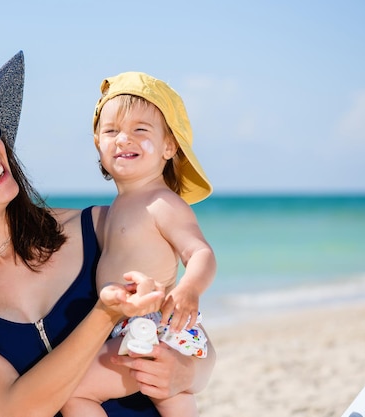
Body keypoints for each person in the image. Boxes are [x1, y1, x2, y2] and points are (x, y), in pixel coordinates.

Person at [0, 51, 216, 417]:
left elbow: (191, 338)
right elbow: (16, 407)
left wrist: (186, 373)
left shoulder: (98, 227)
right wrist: (104, 314)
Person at [61, 72, 216, 417]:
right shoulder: (118, 207)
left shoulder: (162, 202)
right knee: (172, 397)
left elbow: (200, 251)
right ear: (97, 143)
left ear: (168, 146)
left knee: (73, 392)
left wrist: (189, 288)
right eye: (111, 130)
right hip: (134, 326)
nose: (123, 139)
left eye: (140, 130)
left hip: (151, 326)